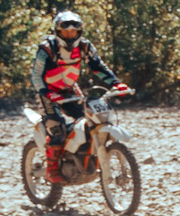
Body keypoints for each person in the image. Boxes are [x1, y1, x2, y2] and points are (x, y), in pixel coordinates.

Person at [30, 10, 128, 183]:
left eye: (73, 32)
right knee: (55, 126)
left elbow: (98, 66)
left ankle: (84, 157)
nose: (70, 35)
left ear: (79, 31)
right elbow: (37, 75)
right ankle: (52, 170)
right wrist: (47, 92)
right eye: (66, 31)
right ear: (58, 31)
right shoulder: (47, 48)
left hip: (69, 88)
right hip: (48, 92)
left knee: (89, 120)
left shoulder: (85, 46)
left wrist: (116, 83)